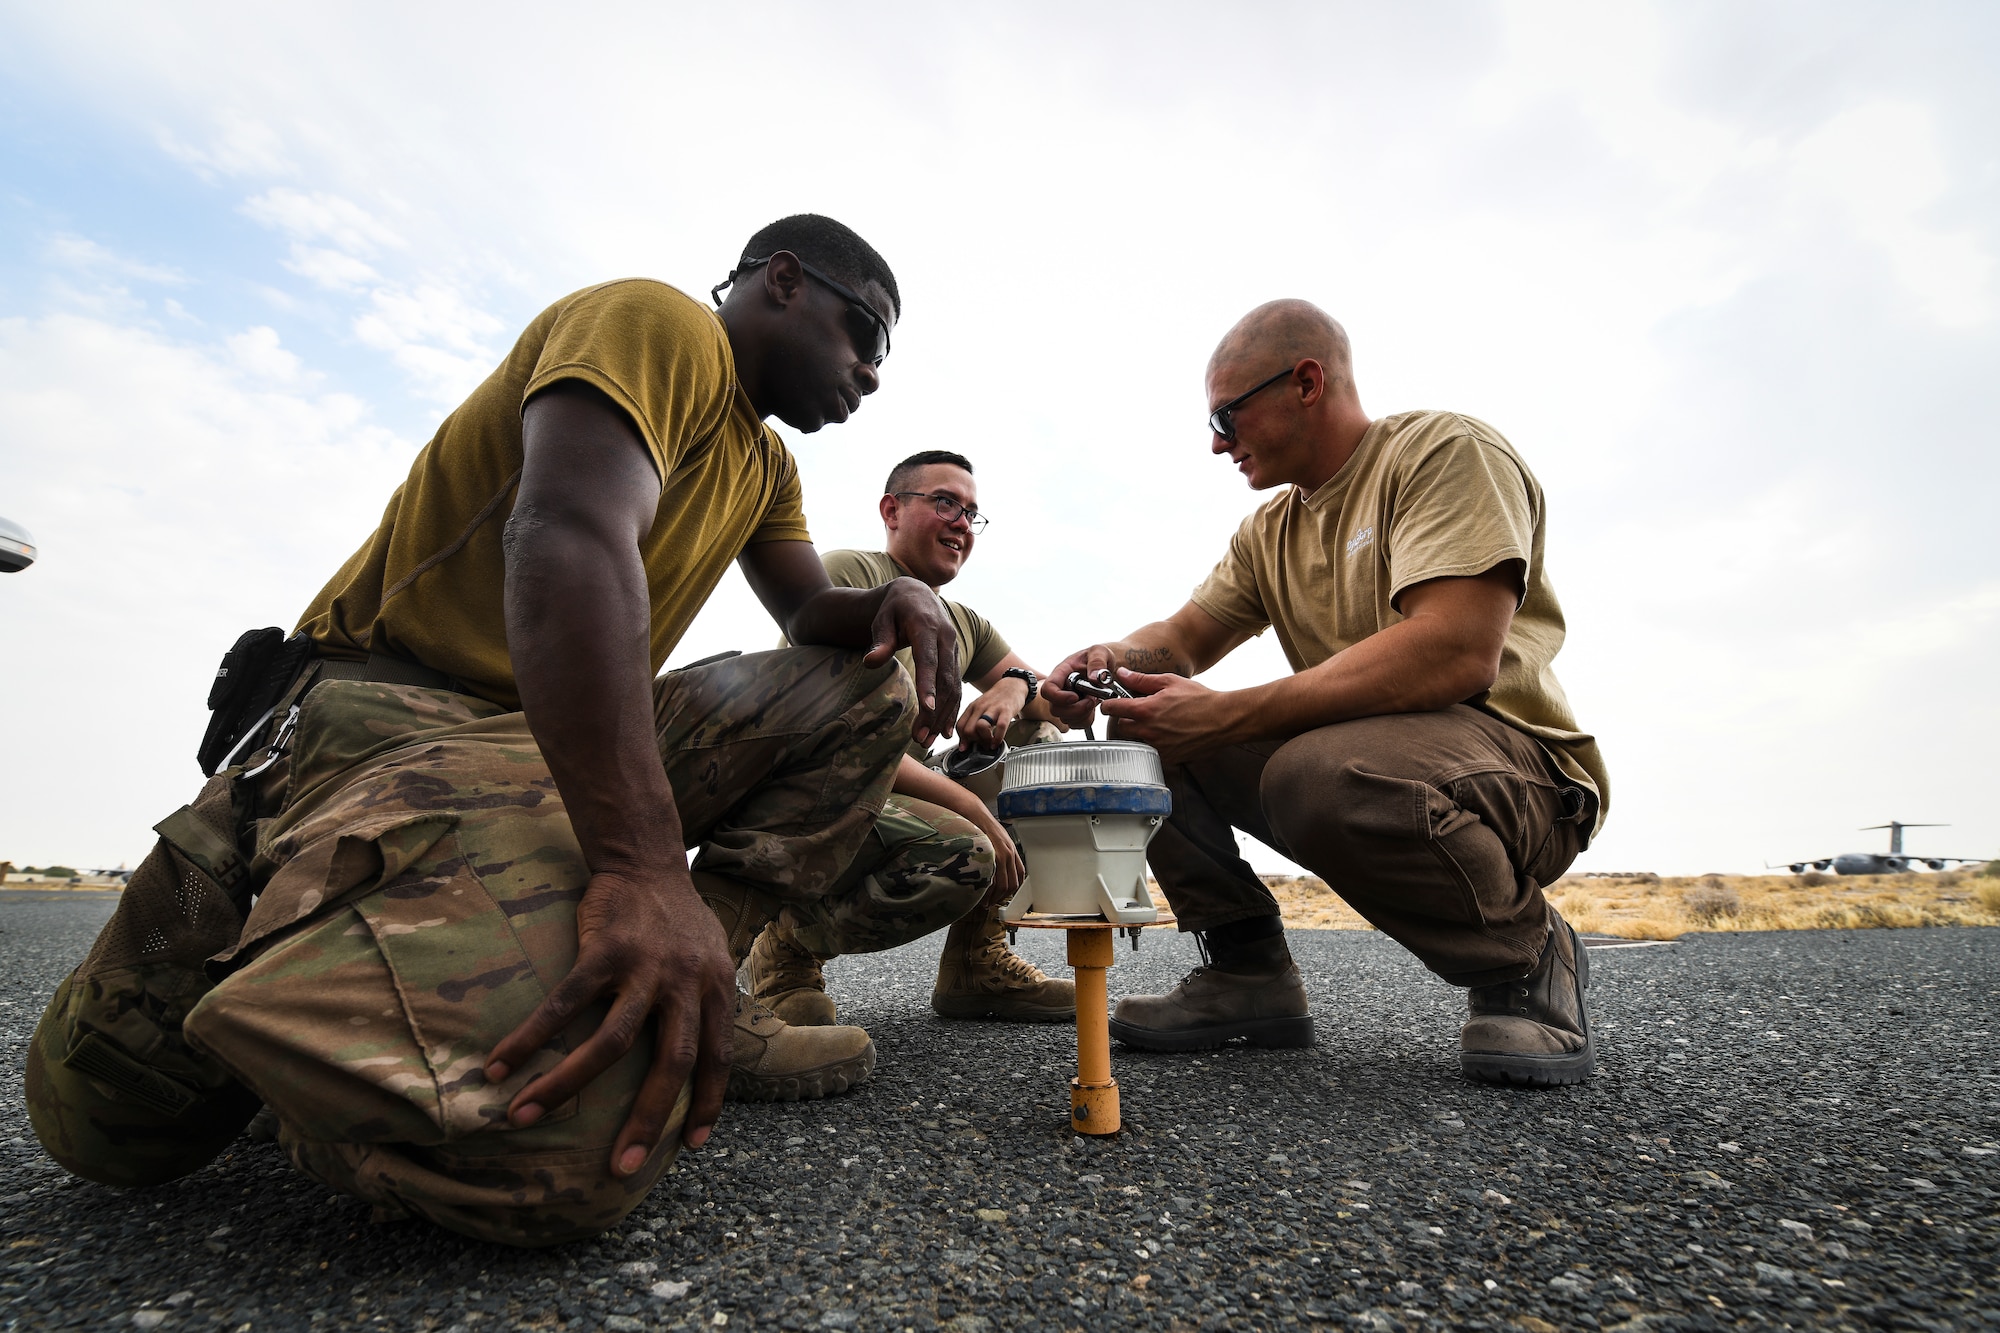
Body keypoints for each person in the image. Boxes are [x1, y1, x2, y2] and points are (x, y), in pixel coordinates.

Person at [27, 215, 982, 1246]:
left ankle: (691, 988)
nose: (871, 377)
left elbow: (804, 615)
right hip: (392, 718)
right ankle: (290, 961)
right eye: (866, 336)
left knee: (862, 687)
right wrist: (641, 866)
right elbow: (567, 528)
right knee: (121, 1130)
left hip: (525, 746)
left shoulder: (762, 466)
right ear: (783, 284)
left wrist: (898, 603)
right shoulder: (660, 325)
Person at [1043, 299, 1609, 1087]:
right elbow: (1182, 640)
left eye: (1227, 416)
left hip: (1517, 777)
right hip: (1365, 756)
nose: (1216, 443)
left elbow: (1454, 649)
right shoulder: (1268, 530)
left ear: (1305, 382)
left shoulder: (1442, 451)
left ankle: (1528, 954)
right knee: (1144, 737)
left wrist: (1227, 714)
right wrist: (1109, 658)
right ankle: (1247, 972)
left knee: (1312, 770)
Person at [748, 450, 1075, 1025]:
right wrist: (969, 804)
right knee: (966, 851)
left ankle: (977, 964)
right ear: (891, 510)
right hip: (815, 800)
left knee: (1037, 737)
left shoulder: (965, 622)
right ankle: (785, 949)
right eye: (945, 502)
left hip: (889, 796)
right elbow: (825, 738)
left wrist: (1015, 689)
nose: (962, 523)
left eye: (973, 512)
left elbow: (1056, 700)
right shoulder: (849, 577)